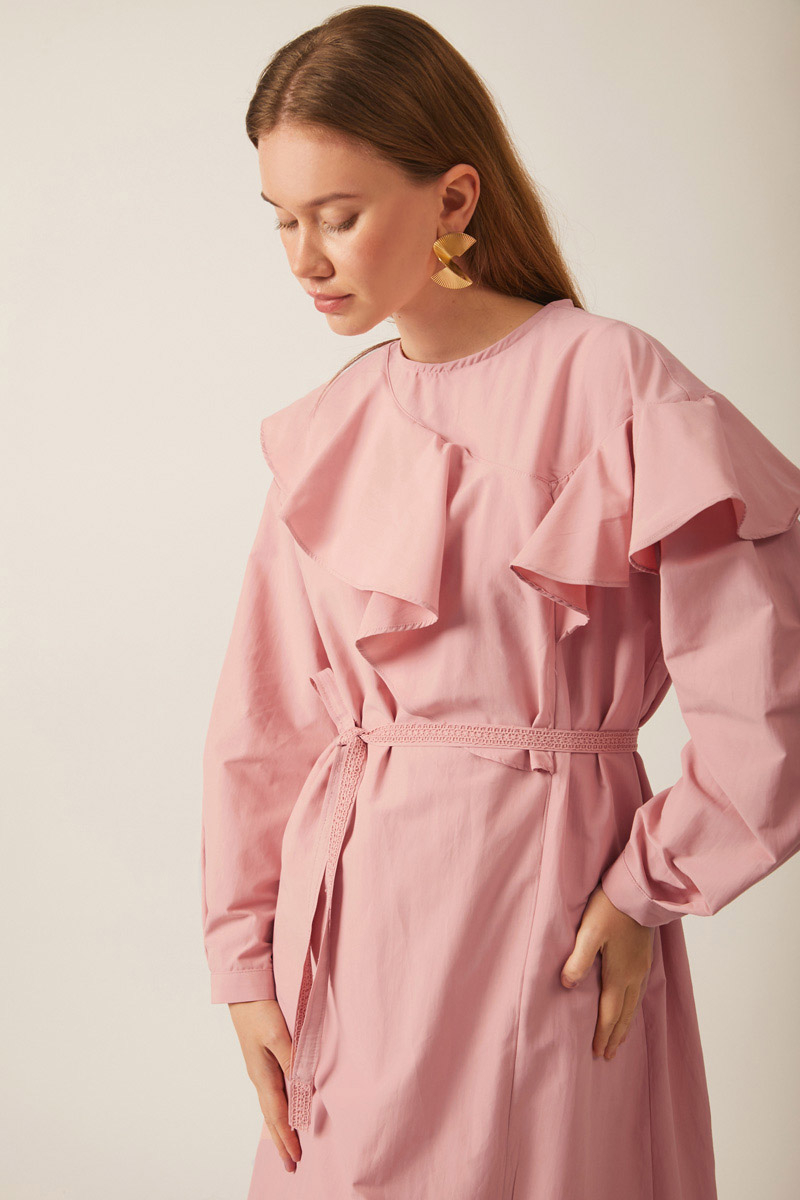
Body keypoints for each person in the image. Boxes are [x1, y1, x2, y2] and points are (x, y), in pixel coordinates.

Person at [199, 7, 800, 1198]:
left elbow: (765, 695)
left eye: (337, 215)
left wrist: (644, 888)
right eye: (281, 219)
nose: (303, 259)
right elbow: (261, 726)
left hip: (546, 908)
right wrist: (244, 962)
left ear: (453, 200)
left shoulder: (611, 380)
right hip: (350, 925)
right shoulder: (331, 430)